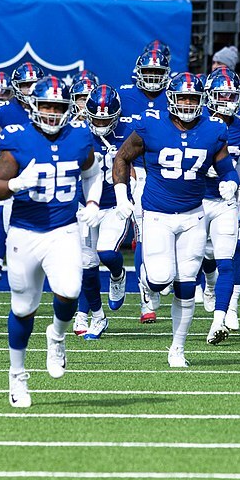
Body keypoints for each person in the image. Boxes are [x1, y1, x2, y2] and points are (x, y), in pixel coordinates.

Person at [0, 76, 100, 407]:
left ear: (67, 109)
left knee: (69, 291)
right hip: (24, 231)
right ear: (34, 106)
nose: (51, 112)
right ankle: (17, 375)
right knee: (23, 308)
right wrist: (15, 184)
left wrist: (92, 202)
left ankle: (57, 336)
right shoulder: (18, 138)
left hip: (63, 229)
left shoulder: (79, 137)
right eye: (46, 105)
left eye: (58, 106)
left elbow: (92, 173)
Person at [113, 73, 238, 367]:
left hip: (194, 216)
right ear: (171, 99)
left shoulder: (214, 129)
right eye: (182, 97)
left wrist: (230, 181)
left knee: (185, 284)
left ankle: (177, 348)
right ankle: (147, 282)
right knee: (159, 279)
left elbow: (225, 166)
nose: (187, 103)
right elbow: (122, 157)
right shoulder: (151, 124)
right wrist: (122, 194)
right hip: (157, 214)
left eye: (192, 98)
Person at [118, 41, 172, 324]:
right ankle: (146, 298)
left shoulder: (176, 96)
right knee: (142, 238)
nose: (152, 77)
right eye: (148, 71)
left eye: (157, 71)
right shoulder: (124, 96)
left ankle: (164, 281)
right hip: (137, 173)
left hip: (171, 176)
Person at [73, 84, 131, 340]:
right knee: (87, 265)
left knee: (106, 253)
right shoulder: (76, 133)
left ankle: (118, 275)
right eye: (96, 117)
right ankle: (95, 316)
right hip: (84, 206)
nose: (100, 123)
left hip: (114, 205)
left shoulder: (128, 132)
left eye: (106, 119)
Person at [0, 65, 42, 280]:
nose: (30, 90)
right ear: (16, 87)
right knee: (7, 219)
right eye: (25, 85)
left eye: (34, 85)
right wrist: (0, 161)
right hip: (17, 177)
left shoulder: (51, 107)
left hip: (47, 175)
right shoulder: (5, 111)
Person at [201, 68, 240, 343]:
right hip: (197, 196)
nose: (226, 101)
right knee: (203, 254)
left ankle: (230, 308)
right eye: (221, 95)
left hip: (230, 198)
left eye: (231, 95)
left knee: (231, 250)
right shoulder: (197, 122)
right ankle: (210, 283)